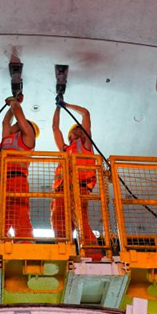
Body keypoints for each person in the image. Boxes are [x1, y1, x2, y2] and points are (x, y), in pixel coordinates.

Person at [51, 99, 102, 260]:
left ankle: (94, 256)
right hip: (61, 190)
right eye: (76, 130)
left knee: (81, 223)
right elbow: (55, 128)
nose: (79, 132)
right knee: (58, 221)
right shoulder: (65, 149)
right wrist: (57, 108)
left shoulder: (86, 145)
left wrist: (66, 105)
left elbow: (85, 113)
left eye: (81, 129)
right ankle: (64, 253)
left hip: (79, 189)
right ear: (70, 135)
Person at [0, 93, 38, 243]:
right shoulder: (7, 139)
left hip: (16, 180)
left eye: (17, 124)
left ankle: (24, 246)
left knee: (19, 215)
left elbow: (18, 113)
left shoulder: (27, 138)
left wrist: (15, 102)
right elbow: (6, 122)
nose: (13, 125)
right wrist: (12, 105)